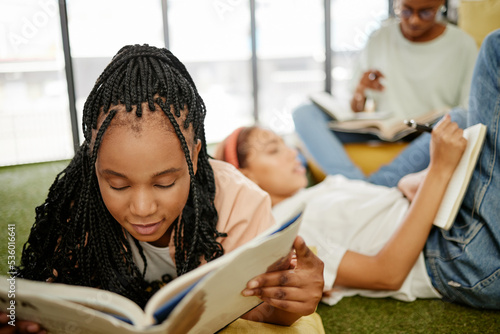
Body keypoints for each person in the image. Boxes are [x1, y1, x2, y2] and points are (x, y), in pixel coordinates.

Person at [0, 45, 324, 334]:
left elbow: (259, 310)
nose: (142, 208)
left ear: (195, 157)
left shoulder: (242, 203)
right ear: (93, 164)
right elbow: (41, 293)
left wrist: (288, 302)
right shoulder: (77, 205)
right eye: (117, 184)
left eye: (165, 183)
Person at [215, 29, 500, 309]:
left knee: (459, 117)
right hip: (456, 252)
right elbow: (387, 273)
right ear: (243, 175)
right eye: (273, 149)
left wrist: (408, 184)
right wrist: (438, 171)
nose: (292, 152)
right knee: (494, 48)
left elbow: (376, 208)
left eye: (284, 143)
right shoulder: (285, 229)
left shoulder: (318, 193)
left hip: (453, 224)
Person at [293, 0, 478, 183]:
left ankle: (374, 184)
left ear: (440, 6)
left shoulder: (463, 45)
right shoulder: (379, 37)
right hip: (384, 129)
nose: (414, 20)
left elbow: (469, 111)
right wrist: (360, 91)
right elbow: (355, 108)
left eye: (425, 13)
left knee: (460, 117)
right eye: (405, 11)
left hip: (426, 132)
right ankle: (355, 182)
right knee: (303, 113)